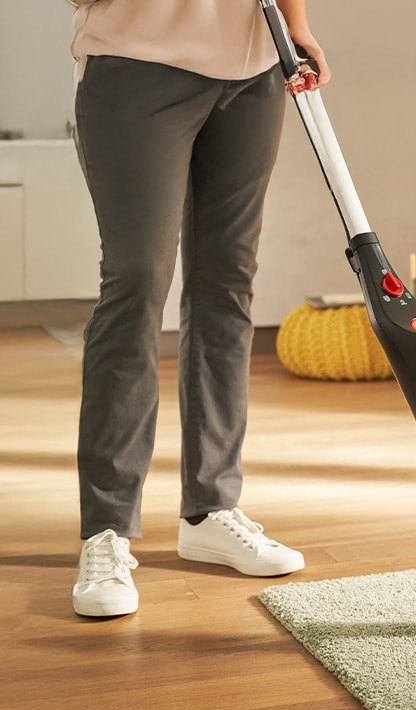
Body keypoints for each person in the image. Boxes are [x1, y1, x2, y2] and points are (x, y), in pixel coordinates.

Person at [69, 0, 329, 617]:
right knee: (135, 281)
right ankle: (105, 530)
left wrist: (297, 28)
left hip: (255, 72)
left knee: (226, 282)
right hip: (136, 64)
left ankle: (211, 508)